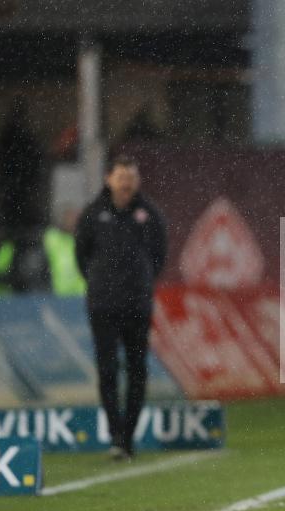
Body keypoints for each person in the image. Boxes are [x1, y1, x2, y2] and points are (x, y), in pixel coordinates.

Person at [74, 155, 167, 459]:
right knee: (107, 369)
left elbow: (159, 254)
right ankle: (116, 434)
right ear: (108, 179)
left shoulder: (149, 213)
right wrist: (101, 283)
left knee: (138, 370)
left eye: (131, 177)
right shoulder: (92, 214)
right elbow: (81, 255)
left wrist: (141, 282)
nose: (126, 183)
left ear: (137, 181)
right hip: (103, 304)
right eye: (121, 177)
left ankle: (128, 437)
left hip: (138, 304)